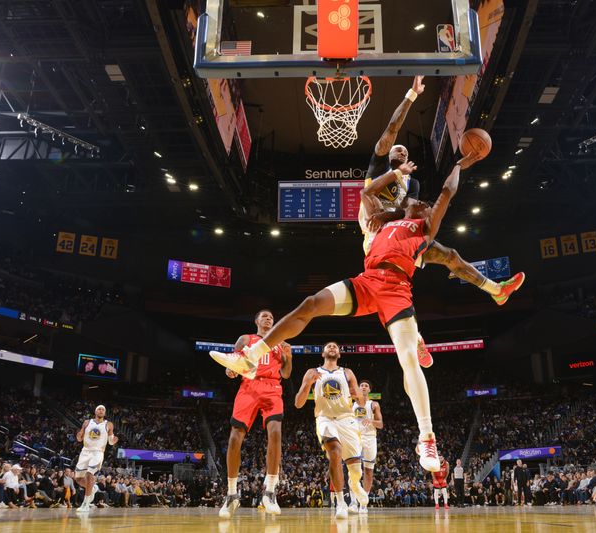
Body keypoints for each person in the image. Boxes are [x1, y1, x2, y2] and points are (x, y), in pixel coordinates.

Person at [212, 153, 508, 473]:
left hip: (396, 293)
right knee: (311, 304)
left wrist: (459, 165)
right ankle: (252, 354)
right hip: (366, 284)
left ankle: (426, 437)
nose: (421, 203)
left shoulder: (423, 230)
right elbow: (366, 194)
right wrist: (395, 175)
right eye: (416, 201)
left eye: (423, 203)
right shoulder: (382, 220)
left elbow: (449, 206)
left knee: (407, 360)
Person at [359, 77, 525, 366]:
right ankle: (416, 339)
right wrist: (412, 95)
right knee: (391, 290)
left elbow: (407, 210)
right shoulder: (379, 166)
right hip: (377, 237)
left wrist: (393, 213)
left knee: (450, 255)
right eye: (398, 150)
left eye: (406, 152)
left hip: (400, 232)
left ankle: (497, 291)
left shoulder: (412, 184)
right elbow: (391, 129)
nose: (401, 152)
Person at [219, 309, 292, 519]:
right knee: (234, 438)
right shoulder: (245, 339)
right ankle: (232, 494)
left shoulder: (281, 342)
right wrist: (230, 370)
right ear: (256, 321)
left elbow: (286, 374)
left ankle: (270, 491)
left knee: (276, 432)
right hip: (248, 386)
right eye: (264, 316)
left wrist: (288, 357)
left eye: (271, 317)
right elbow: (231, 365)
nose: (268, 318)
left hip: (272, 387)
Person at [294, 341, 368, 519]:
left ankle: (355, 483)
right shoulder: (312, 372)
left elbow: (362, 403)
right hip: (325, 418)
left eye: (335, 347)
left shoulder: (347, 372)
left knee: (356, 470)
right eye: (329, 346)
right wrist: (307, 385)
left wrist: (357, 393)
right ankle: (341, 502)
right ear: (323, 353)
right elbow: (298, 403)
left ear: (340, 354)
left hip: (347, 419)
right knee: (334, 451)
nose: (332, 348)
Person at [74, 404, 118, 513]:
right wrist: (79, 435)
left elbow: (110, 441)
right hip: (85, 451)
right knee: (78, 478)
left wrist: (114, 440)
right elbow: (79, 438)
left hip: (98, 452)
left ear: (105, 412)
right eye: (99, 409)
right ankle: (92, 488)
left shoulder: (108, 424)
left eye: (103, 409)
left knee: (89, 475)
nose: (101, 410)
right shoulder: (87, 422)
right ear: (95, 411)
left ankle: (85, 504)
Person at [349, 379, 382, 514]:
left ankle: (363, 503)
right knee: (353, 470)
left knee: (368, 471)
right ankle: (352, 501)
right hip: (355, 437)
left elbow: (380, 424)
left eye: (366, 386)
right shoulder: (351, 405)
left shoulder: (373, 404)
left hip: (369, 438)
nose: (363, 387)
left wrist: (372, 421)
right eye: (361, 385)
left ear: (369, 390)